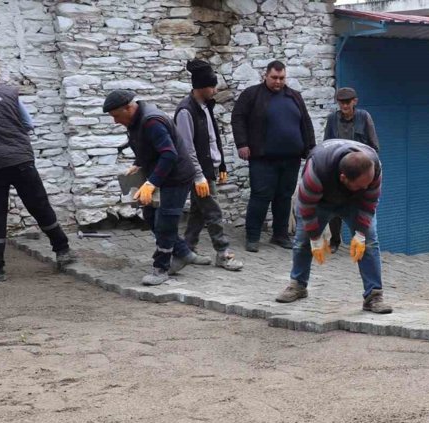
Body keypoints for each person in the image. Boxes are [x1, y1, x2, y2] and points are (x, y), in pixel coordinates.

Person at [0, 52, 75, 281]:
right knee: (39, 204)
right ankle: (63, 250)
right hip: (20, 159)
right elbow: (27, 124)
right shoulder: (10, 93)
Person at [275, 139, 392, 314]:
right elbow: (306, 208)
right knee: (302, 242)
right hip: (319, 202)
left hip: (356, 203)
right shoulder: (317, 170)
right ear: (343, 177)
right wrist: (315, 237)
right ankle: (298, 285)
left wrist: (360, 234)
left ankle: (373, 297)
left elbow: (370, 201)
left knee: (369, 243)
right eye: (361, 185)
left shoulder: (373, 167)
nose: (366, 186)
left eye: (368, 183)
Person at [103, 89, 197, 286]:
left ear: (129, 108)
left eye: (117, 116)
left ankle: (161, 268)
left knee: (166, 221)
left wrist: (151, 183)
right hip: (161, 174)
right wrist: (138, 163)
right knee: (151, 217)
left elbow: (169, 154)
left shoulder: (151, 121)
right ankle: (184, 253)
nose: (115, 121)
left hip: (176, 177)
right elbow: (146, 145)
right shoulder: (136, 120)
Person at [231, 60, 315, 252]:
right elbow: (238, 118)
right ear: (265, 76)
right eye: (274, 78)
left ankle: (280, 235)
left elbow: (306, 123)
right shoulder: (252, 94)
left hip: (291, 157)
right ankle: (253, 236)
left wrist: (311, 148)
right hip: (262, 158)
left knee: (284, 197)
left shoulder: (294, 96)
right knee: (260, 196)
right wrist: (242, 144)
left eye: (282, 78)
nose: (278, 82)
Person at [174, 59, 242, 271]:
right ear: (202, 87)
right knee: (213, 212)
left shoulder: (205, 107)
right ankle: (223, 253)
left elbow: (213, 138)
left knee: (198, 212)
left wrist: (220, 164)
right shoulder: (186, 111)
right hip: (198, 172)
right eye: (212, 86)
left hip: (208, 169)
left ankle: (185, 251)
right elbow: (187, 148)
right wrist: (198, 176)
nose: (215, 90)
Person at [322, 87, 380, 253]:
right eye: (341, 102)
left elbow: (374, 145)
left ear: (355, 101)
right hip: (339, 168)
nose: (344, 106)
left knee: (360, 205)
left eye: (347, 102)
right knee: (333, 204)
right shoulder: (332, 119)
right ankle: (335, 240)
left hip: (360, 168)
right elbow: (327, 143)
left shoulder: (364, 117)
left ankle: (359, 239)